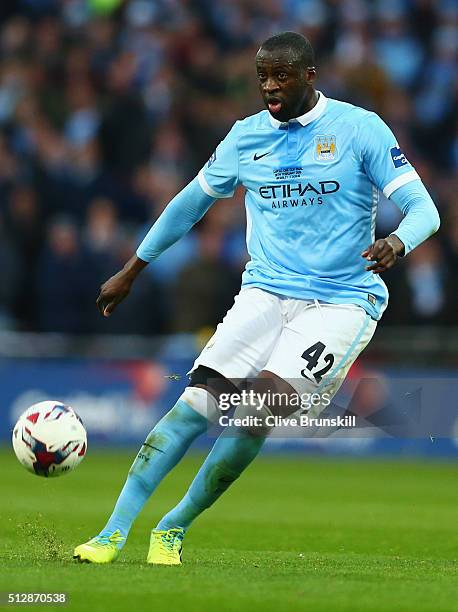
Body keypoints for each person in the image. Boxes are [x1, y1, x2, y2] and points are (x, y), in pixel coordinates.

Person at [73, 32, 440, 565]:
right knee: (190, 410)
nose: (270, 86)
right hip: (264, 294)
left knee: (255, 411)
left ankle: (173, 526)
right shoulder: (245, 138)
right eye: (263, 75)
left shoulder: (359, 130)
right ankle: (112, 533)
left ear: (309, 76)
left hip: (340, 302)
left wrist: (397, 240)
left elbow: (425, 209)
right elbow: (188, 205)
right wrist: (134, 267)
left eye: (282, 76)